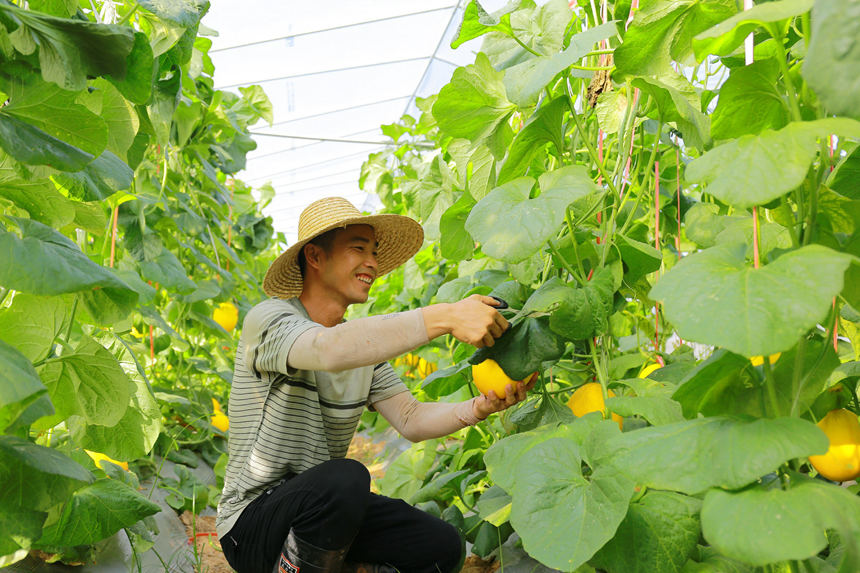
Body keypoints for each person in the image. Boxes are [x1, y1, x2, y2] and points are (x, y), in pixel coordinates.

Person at [216, 197, 537, 573]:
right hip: (251, 525)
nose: (372, 262)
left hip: (321, 516)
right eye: (358, 248)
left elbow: (411, 418)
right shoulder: (270, 319)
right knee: (347, 477)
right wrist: (446, 316)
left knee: (442, 545)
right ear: (315, 257)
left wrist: (479, 407)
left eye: (374, 251)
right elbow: (325, 349)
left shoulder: (361, 350)